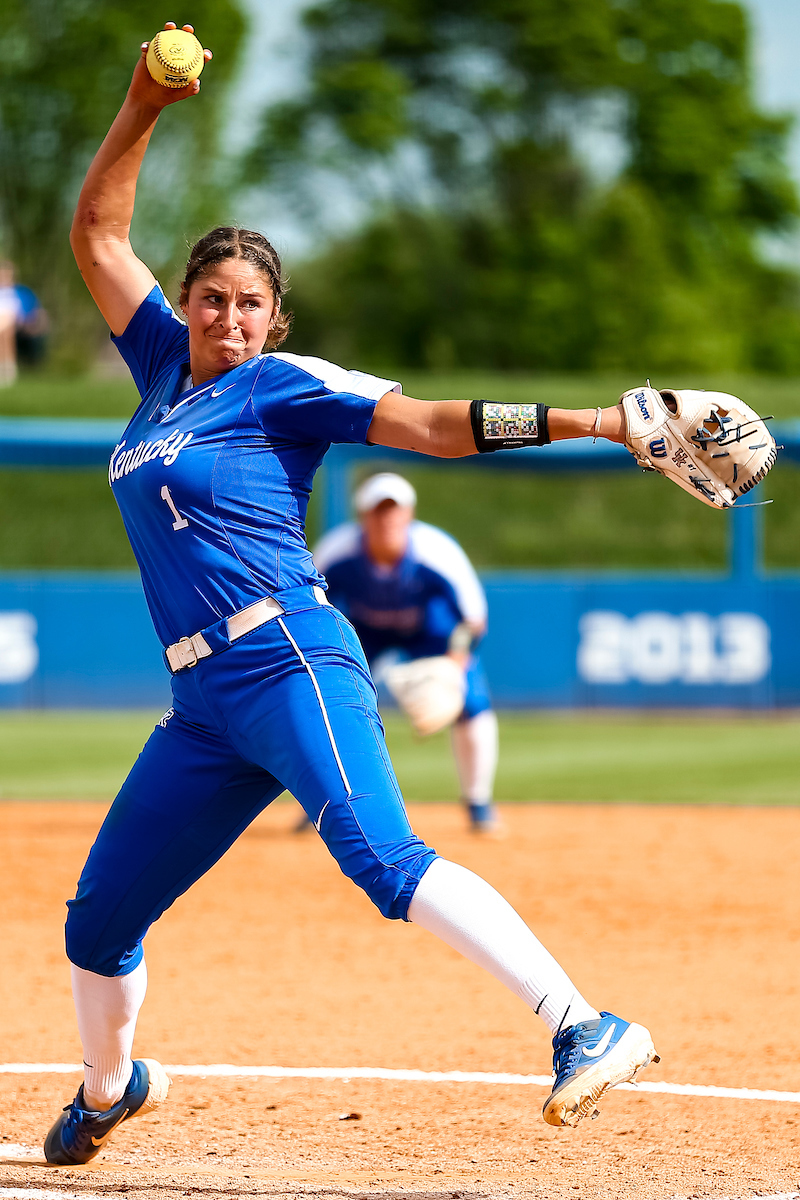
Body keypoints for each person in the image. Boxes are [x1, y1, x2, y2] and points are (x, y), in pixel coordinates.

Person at [42, 24, 659, 1168]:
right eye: (211, 298)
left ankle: (582, 1022)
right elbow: (95, 231)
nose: (228, 317)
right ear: (185, 306)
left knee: (380, 858)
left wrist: (594, 422)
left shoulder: (282, 386)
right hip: (202, 708)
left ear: (276, 320)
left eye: (249, 303)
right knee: (96, 924)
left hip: (286, 657)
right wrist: (141, 102)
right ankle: (111, 1088)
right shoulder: (166, 373)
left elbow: (426, 426)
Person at [313, 471, 501, 835]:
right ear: (363, 517)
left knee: (473, 700)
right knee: (327, 700)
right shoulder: (337, 551)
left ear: (408, 514)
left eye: (394, 511)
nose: (387, 520)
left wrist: (455, 664)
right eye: (378, 511)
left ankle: (479, 805)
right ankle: (324, 803)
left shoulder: (436, 551)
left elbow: (474, 619)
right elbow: (308, 607)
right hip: (364, 631)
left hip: (430, 629)